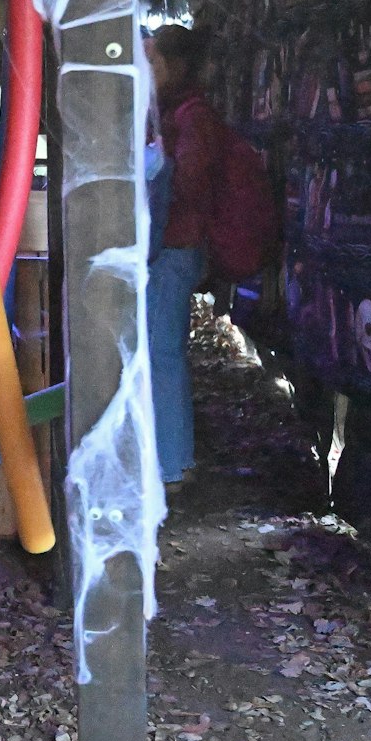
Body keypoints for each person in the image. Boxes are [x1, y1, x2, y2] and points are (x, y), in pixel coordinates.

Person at [146, 24, 223, 493]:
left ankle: (172, 464)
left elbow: (191, 186)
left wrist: (159, 174)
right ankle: (171, 458)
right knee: (161, 351)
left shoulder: (193, 120)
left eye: (152, 62)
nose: (144, 70)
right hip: (171, 245)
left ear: (177, 67)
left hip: (175, 248)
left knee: (163, 354)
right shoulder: (176, 115)